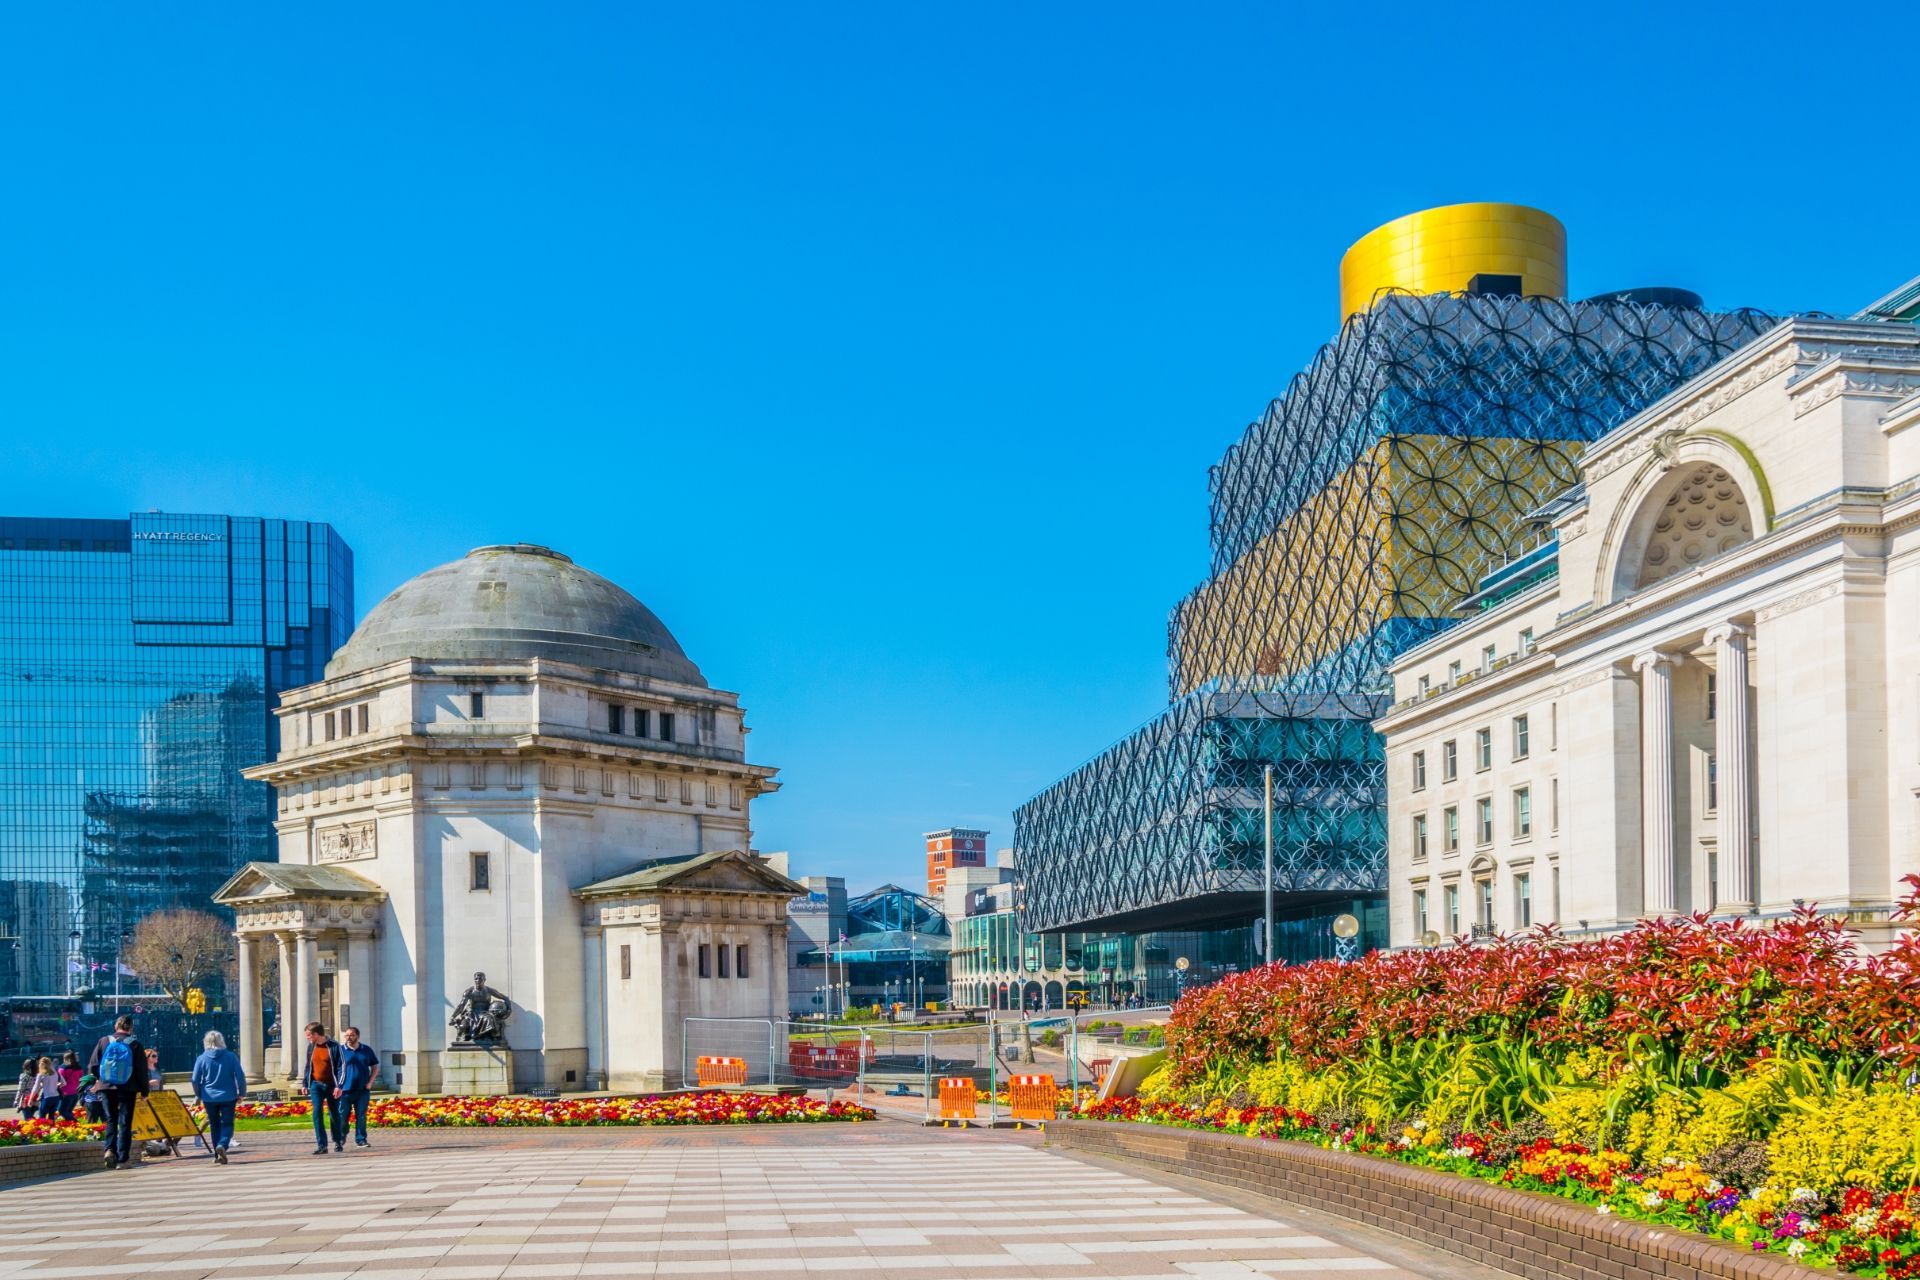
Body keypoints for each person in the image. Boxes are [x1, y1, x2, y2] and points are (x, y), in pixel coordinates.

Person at [86, 1015, 150, 1168]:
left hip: (106, 1087)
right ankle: (123, 1160)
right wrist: (145, 1092)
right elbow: (141, 1071)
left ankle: (109, 1150)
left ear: (116, 1026)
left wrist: (101, 1079)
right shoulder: (135, 1044)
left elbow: (93, 1065)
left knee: (111, 1120)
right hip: (128, 1088)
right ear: (131, 1028)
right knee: (125, 1123)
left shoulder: (104, 1041)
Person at [189, 1030, 246, 1165]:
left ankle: (217, 1153)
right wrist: (242, 1093)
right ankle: (223, 1144)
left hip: (209, 1097)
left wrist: (199, 1094)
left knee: (214, 1125)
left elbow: (195, 1079)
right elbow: (240, 1076)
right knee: (227, 1123)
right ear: (222, 1041)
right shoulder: (230, 1056)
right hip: (228, 1096)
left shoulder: (201, 1058)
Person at [300, 1022, 345, 1154]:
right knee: (317, 1113)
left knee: (334, 1113)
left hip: (332, 1085)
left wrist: (339, 1086)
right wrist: (305, 1083)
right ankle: (322, 1145)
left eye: (309, 1035)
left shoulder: (334, 1046)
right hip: (316, 1084)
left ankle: (337, 1141)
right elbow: (308, 1066)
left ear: (316, 1034)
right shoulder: (311, 1047)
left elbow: (341, 1066)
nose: (307, 1038)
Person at [336, 1026, 379, 1149]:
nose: (349, 1038)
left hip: (362, 1089)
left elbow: (375, 1066)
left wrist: (370, 1082)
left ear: (358, 1036)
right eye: (347, 1035)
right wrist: (336, 1086)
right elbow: (333, 1069)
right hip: (345, 1090)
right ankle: (342, 1136)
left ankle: (361, 1139)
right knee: (343, 1116)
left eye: (352, 1035)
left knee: (361, 1115)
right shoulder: (340, 1050)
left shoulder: (366, 1050)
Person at [55, 1052, 81, 1121]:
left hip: (65, 1093)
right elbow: (80, 1079)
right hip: (75, 1092)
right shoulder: (78, 1067)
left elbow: (60, 1080)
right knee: (68, 1111)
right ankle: (74, 1127)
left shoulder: (62, 1068)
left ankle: (76, 1123)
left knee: (62, 1111)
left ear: (66, 1059)